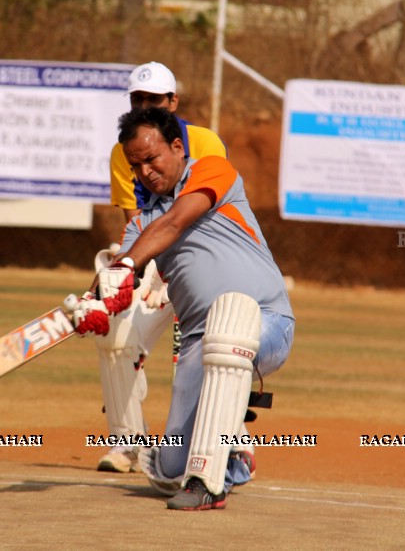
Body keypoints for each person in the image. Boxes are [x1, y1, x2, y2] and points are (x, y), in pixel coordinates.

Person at [72, 107, 294, 511]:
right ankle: (233, 454)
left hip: (266, 322)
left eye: (152, 158)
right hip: (197, 343)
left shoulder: (213, 171)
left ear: (177, 147)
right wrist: (93, 301)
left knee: (226, 334)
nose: (145, 172)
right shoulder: (144, 223)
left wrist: (126, 266)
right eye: (136, 165)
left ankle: (208, 482)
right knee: (169, 466)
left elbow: (173, 224)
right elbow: (123, 260)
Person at [93, 61, 228, 474]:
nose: (146, 106)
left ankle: (230, 445)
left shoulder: (205, 142)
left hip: (205, 261)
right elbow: (137, 221)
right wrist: (132, 273)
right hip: (154, 260)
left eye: (155, 100)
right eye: (138, 99)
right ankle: (127, 442)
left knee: (211, 355)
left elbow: (207, 212)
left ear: (173, 102)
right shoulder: (124, 150)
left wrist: (171, 275)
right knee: (115, 337)